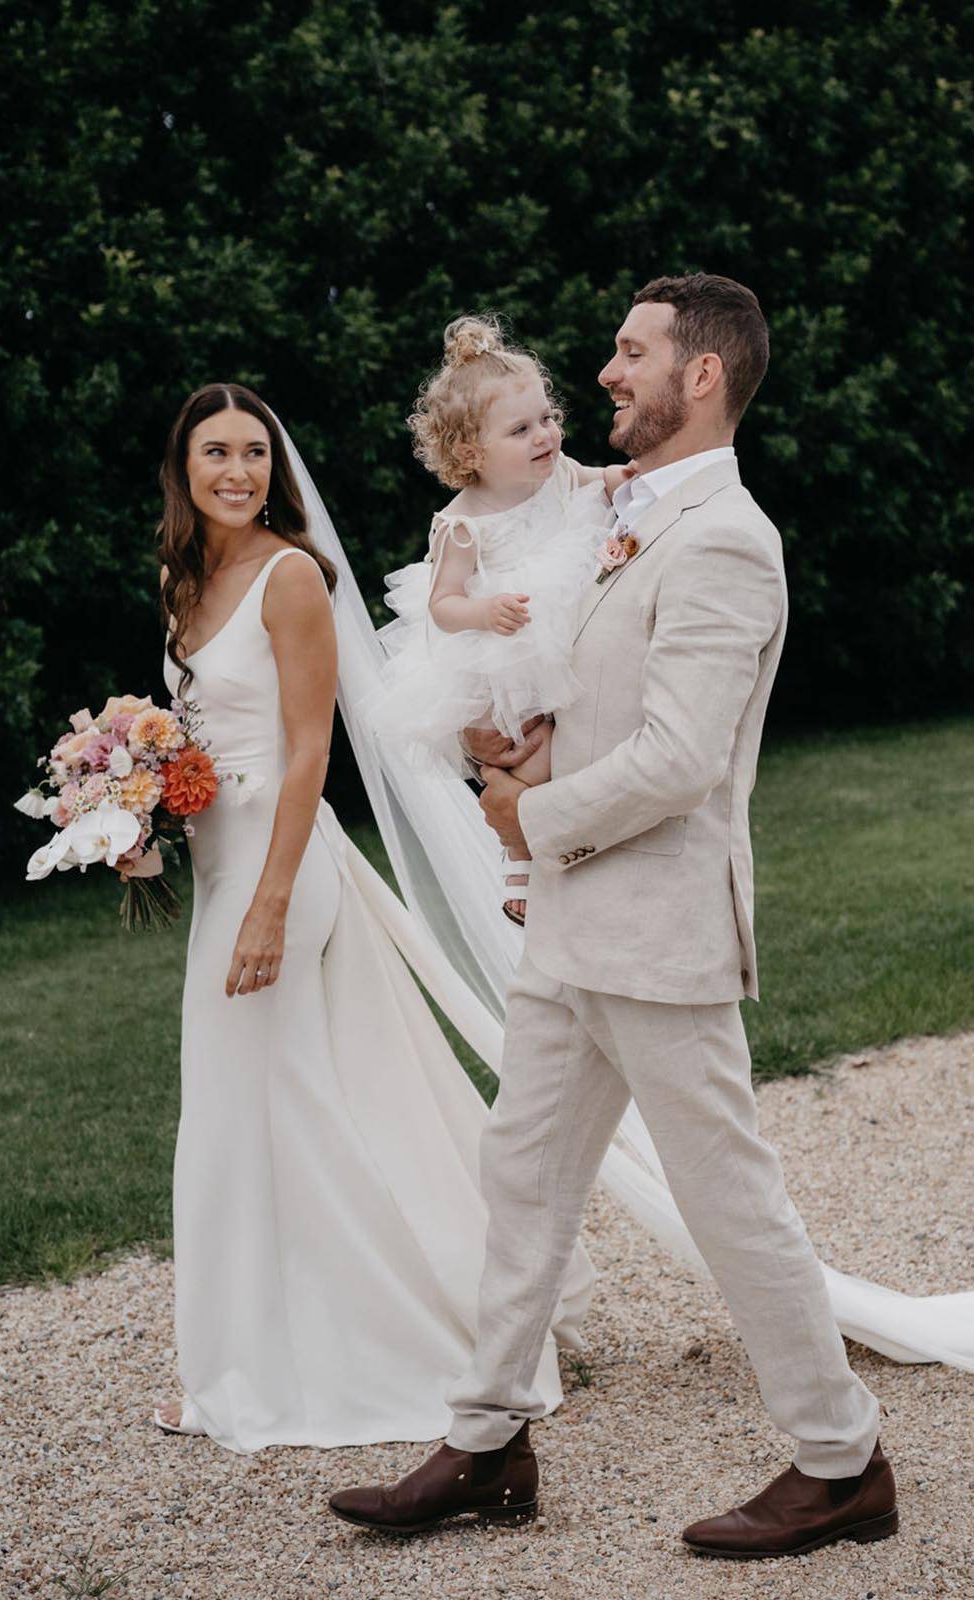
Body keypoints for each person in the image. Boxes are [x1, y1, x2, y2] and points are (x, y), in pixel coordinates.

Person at [328, 275, 903, 1557]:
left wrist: (526, 816)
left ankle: (840, 1458)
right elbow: (572, 691)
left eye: (631, 353)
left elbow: (679, 758)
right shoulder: (605, 514)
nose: (603, 372)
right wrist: (507, 742)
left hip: (655, 929)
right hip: (569, 929)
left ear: (700, 376)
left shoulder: (726, 539)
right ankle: (485, 1439)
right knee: (521, 1171)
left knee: (726, 1198)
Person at [150, 381, 594, 1451]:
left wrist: (265, 905)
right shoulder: (182, 578)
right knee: (252, 1106)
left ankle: (332, 1361)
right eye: (216, 453)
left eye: (254, 453)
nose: (238, 473)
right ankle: (248, 1358)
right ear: (183, 467)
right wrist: (138, 812)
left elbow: (309, 750)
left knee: (269, 1110)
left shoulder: (290, 575)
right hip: (220, 858)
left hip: (276, 871)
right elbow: (192, 732)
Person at [363, 315, 630, 922]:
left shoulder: (560, 475)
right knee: (521, 753)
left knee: (559, 749)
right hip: (501, 656)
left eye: (548, 419)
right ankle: (518, 860)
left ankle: (541, 849)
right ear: (470, 452)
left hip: (565, 636)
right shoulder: (464, 522)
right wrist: (484, 611)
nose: (545, 436)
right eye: (521, 429)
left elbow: (595, 481)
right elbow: (442, 604)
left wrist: (619, 478)